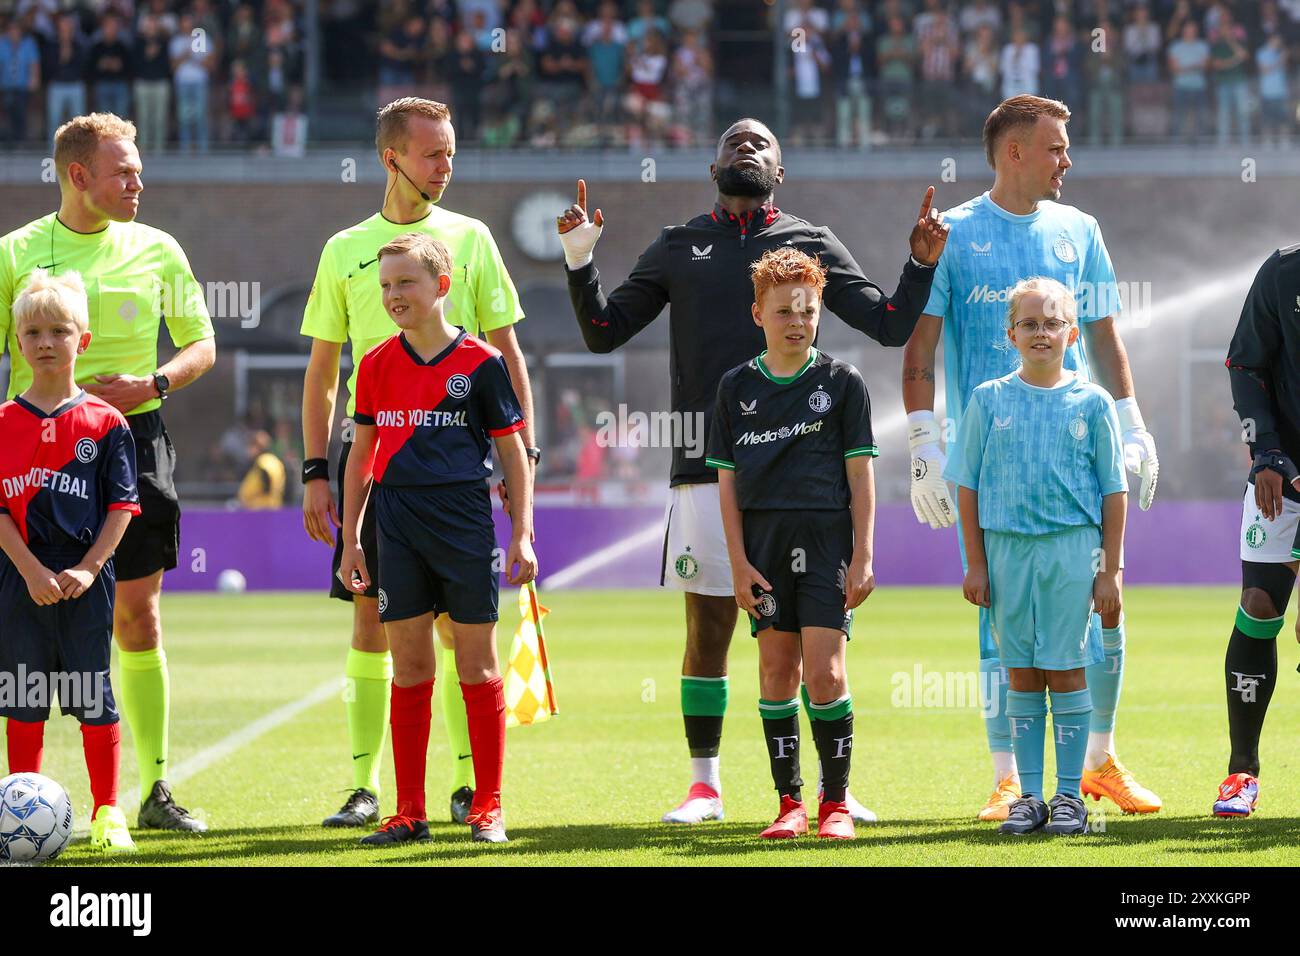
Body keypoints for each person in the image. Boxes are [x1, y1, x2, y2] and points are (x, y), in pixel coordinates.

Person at [557, 116, 948, 826]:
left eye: (761, 143)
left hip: (809, 485)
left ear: (780, 170)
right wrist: (581, 262)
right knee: (707, 631)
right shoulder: (678, 246)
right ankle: (705, 786)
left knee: (816, 642)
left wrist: (920, 266)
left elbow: (889, 325)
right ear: (713, 168)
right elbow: (602, 332)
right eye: (734, 142)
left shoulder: (811, 245)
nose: (746, 148)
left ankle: (832, 789)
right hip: (711, 475)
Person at [902, 95, 1159, 823]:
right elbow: (917, 347)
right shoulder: (951, 233)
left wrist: (1132, 423)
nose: (1067, 160)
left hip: (1078, 461)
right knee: (997, 623)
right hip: (991, 467)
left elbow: (1106, 338)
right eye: (1055, 148)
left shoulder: (1082, 230)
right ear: (1013, 151)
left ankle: (1100, 761)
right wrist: (924, 441)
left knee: (1105, 608)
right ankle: (1008, 779)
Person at [300, 97, 536, 831]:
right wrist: (315, 468)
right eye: (433, 154)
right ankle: (370, 790)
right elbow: (321, 373)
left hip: (460, 461)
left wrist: (520, 461)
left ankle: (474, 790)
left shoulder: (471, 238)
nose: (446, 167)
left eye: (451, 154)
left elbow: (507, 352)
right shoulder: (345, 248)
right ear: (391, 157)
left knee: (463, 641)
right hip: (377, 461)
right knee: (373, 628)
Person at [0, 112, 215, 832]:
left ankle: (149, 793)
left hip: (130, 438)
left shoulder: (158, 249)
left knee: (137, 614)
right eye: (124, 171)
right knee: (19, 621)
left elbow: (201, 343)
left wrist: (153, 384)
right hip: (28, 451)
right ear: (78, 175)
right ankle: (22, 797)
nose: (138, 183)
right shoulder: (16, 254)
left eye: (140, 170)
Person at [339, 233, 536, 845]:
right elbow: (361, 458)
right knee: (411, 667)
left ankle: (489, 807)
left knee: (476, 666)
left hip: (464, 521)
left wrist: (523, 534)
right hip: (395, 525)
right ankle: (408, 811)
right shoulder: (374, 364)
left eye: (406, 283)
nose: (394, 295)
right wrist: (350, 541)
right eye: (387, 286)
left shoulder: (481, 363)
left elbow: (512, 452)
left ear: (442, 287)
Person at [707, 247, 877, 841]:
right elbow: (725, 486)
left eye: (807, 310)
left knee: (825, 674)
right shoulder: (734, 388)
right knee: (777, 670)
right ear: (758, 314)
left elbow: (861, 476)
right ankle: (790, 804)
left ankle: (835, 804)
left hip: (827, 541)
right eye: (783, 311)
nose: (797, 321)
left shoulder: (842, 382)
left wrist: (863, 555)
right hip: (765, 544)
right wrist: (737, 563)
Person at [948, 277, 1126, 836]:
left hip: (1071, 550)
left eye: (1052, 323)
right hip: (1004, 552)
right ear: (1011, 334)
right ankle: (1028, 797)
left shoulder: (1093, 401)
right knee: (1021, 673)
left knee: (1067, 669)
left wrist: (1110, 571)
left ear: (1072, 334)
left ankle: (1069, 796)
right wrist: (975, 564)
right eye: (1029, 324)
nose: (1041, 332)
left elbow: (1113, 491)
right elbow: (968, 487)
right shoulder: (988, 399)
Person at [0, 269, 141, 853]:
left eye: (59, 330)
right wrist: (31, 570)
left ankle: (108, 811)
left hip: (87, 574)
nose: (46, 342)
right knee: (23, 694)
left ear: (82, 340)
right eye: (33, 331)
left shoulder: (107, 423)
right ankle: (16, 805)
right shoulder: (4, 423)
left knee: (92, 693)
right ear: (18, 341)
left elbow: (122, 507)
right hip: (19, 574)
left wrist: (87, 568)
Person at [1216, 241, 1300, 817]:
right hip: (1283, 475)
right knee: (1258, 604)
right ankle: (1241, 773)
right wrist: (1265, 451)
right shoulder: (1282, 272)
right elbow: (1244, 362)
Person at [236, 430, 284, 509]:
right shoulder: (269, 460)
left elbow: (267, 484)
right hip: (264, 510)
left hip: (263, 511)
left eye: (250, 446)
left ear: (257, 447)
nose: (248, 450)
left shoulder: (265, 461)